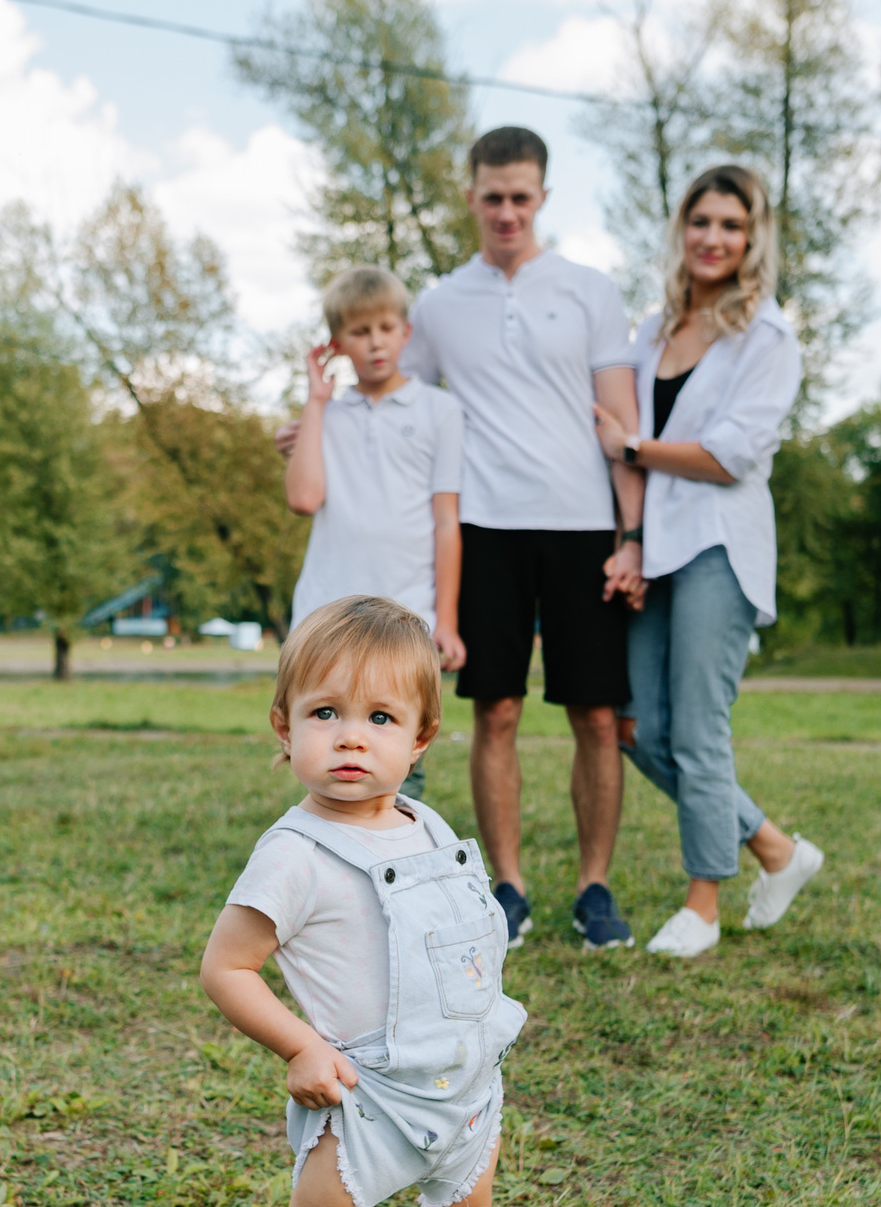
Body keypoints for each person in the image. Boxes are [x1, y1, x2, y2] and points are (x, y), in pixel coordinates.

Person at [289, 127, 648, 951]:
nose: (507, 212)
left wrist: (631, 535)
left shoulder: (591, 291)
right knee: (498, 710)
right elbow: (391, 398)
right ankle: (508, 887)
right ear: (471, 195)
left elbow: (621, 424)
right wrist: (312, 432)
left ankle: (594, 889)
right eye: (493, 197)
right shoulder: (440, 304)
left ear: (543, 196)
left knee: (597, 717)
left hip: (583, 525)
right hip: (485, 526)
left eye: (521, 197)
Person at [200, 596, 523, 1207]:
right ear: (285, 726)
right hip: (365, 1097)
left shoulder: (432, 829)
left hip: (462, 1086)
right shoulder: (294, 854)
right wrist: (301, 1045)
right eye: (325, 713)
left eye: (380, 718)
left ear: (420, 739)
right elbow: (226, 967)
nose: (351, 737)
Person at [593, 165, 827, 958]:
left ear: (752, 237)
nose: (714, 238)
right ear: (682, 229)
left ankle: (703, 906)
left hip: (719, 546)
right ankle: (776, 848)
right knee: (637, 727)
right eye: (702, 222)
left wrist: (632, 446)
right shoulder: (653, 329)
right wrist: (629, 539)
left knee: (697, 728)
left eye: (731, 225)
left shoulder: (768, 336)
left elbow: (730, 456)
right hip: (655, 546)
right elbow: (611, 417)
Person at [283, 266, 467, 800]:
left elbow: (447, 520)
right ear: (337, 343)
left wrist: (447, 619)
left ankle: (398, 852)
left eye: (386, 328)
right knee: (327, 753)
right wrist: (316, 401)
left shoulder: (440, 410)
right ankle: (329, 851)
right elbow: (303, 498)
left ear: (406, 332)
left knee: (397, 759)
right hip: (325, 611)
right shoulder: (325, 416)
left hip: (408, 613)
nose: (376, 343)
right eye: (360, 332)